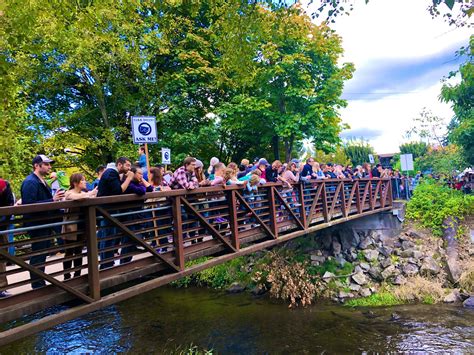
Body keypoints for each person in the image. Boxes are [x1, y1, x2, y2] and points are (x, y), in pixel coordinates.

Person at [21, 154, 65, 289]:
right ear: (36, 165)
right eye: (46, 164)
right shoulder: (30, 182)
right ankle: (37, 285)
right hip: (37, 225)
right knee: (38, 254)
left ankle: (40, 282)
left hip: (43, 224)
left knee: (42, 254)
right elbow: (29, 204)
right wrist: (52, 200)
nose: (49, 167)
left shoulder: (40, 180)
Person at [97, 157, 134, 269]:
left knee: (109, 236)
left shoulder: (111, 173)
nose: (129, 168)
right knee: (108, 237)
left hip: (108, 210)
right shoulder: (111, 173)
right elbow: (118, 191)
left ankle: (107, 263)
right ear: (119, 164)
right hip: (107, 211)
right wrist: (129, 178)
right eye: (127, 165)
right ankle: (106, 265)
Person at [62, 173, 97, 280]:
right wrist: (90, 194)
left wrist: (90, 194)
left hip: (82, 226)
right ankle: (67, 276)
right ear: (75, 183)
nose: (85, 182)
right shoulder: (69, 193)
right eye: (82, 180)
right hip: (70, 227)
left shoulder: (84, 193)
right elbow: (75, 197)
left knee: (78, 251)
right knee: (69, 251)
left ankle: (77, 275)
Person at [0, 178, 14, 297]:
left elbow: (9, 205)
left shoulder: (5, 185)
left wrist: (3, 225)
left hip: (1, 226)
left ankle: (1, 287)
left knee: (2, 257)